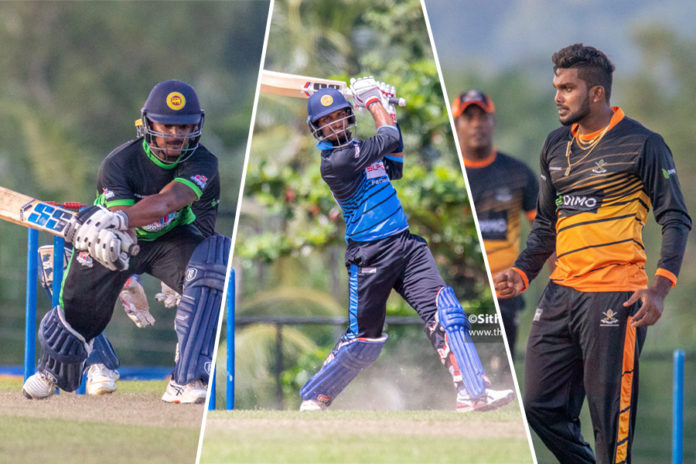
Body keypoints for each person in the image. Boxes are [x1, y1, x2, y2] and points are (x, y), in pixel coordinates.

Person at [493, 44, 691, 463]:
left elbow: (676, 218)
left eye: (567, 88)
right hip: (560, 293)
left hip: (615, 296)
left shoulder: (643, 144)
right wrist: (522, 272)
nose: (557, 96)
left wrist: (659, 289)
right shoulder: (554, 145)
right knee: (539, 407)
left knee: (609, 425)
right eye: (556, 87)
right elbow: (546, 225)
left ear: (597, 93)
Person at [298, 77, 514, 412]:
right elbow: (387, 138)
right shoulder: (336, 161)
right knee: (364, 341)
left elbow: (394, 164)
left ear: (348, 116)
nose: (335, 124)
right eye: (326, 121)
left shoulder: (362, 150)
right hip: (370, 254)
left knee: (446, 311)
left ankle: (473, 392)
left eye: (339, 116)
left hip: (405, 244)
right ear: (318, 129)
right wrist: (374, 101)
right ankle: (316, 395)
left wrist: (388, 112)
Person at [22, 80, 230, 404]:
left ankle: (187, 378)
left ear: (197, 126)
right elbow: (125, 231)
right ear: (148, 124)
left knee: (215, 260)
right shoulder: (119, 163)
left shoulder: (204, 162)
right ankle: (54, 370)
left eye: (184, 126)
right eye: (167, 126)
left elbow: (174, 202)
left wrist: (188, 278)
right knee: (78, 299)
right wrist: (128, 278)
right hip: (114, 240)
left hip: (170, 240)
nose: (176, 135)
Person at [452, 90, 540, 359]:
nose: (476, 124)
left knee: (503, 366)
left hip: (504, 292)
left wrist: (564, 290)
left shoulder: (518, 173)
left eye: (482, 117)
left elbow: (547, 234)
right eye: (468, 118)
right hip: (460, 288)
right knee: (463, 362)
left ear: (493, 122)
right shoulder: (451, 176)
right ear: (456, 124)